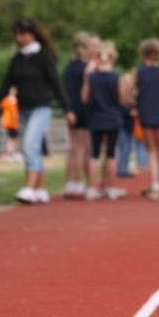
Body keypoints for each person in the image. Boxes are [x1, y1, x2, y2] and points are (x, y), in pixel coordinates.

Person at [0, 18, 74, 204]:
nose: (20, 38)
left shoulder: (44, 56)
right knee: (32, 149)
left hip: (41, 107)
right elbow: (6, 84)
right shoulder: (18, 59)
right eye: (17, 34)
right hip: (24, 108)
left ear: (32, 34)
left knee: (30, 146)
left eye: (23, 34)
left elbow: (56, 83)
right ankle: (40, 189)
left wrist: (67, 108)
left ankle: (29, 187)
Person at [81, 40, 126, 200]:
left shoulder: (92, 77)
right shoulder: (117, 77)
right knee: (111, 153)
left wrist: (86, 79)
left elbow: (84, 98)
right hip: (113, 118)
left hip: (96, 118)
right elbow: (123, 99)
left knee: (94, 153)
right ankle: (111, 187)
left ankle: (92, 188)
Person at [134, 38, 159, 200]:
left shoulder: (139, 72)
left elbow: (129, 92)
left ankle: (156, 183)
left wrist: (134, 103)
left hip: (145, 111)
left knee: (151, 150)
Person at [63, 31, 96, 198]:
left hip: (71, 109)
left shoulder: (69, 67)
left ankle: (71, 183)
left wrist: (67, 109)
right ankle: (79, 184)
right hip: (83, 109)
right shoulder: (87, 68)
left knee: (73, 148)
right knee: (83, 148)